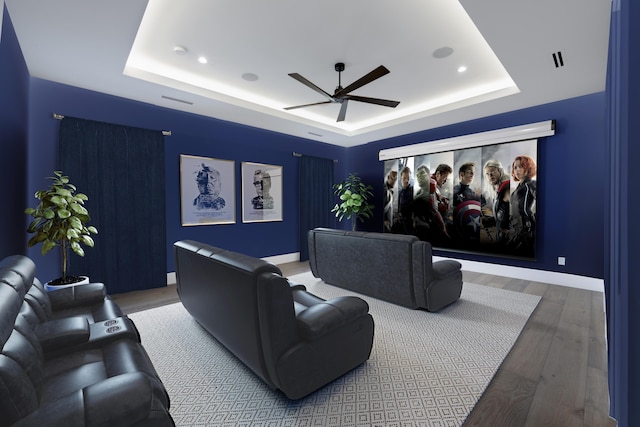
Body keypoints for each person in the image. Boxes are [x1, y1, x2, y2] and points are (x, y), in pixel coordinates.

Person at [413, 166, 449, 244]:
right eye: (419, 176)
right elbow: (434, 210)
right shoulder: (423, 192)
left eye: (422, 175)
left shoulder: (431, 187)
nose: (420, 178)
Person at [509, 155, 537, 255]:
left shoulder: (531, 184)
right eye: (515, 167)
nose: (517, 170)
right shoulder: (518, 187)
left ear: (528, 168)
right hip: (517, 228)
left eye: (521, 166)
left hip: (527, 229)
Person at [452, 162, 481, 241]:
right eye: (469, 172)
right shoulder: (452, 191)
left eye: (473, 173)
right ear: (462, 174)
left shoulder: (473, 193)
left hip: (470, 232)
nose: (472, 174)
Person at [483, 159, 511, 243]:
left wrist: (512, 231)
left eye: (493, 172)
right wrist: (491, 220)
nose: (490, 176)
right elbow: (503, 214)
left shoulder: (507, 188)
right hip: (502, 237)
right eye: (487, 174)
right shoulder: (499, 189)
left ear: (500, 171)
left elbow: (519, 213)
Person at [392, 166, 414, 234]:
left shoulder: (412, 191)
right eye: (404, 178)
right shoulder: (400, 192)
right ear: (401, 178)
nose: (406, 180)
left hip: (409, 223)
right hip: (401, 222)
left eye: (408, 178)